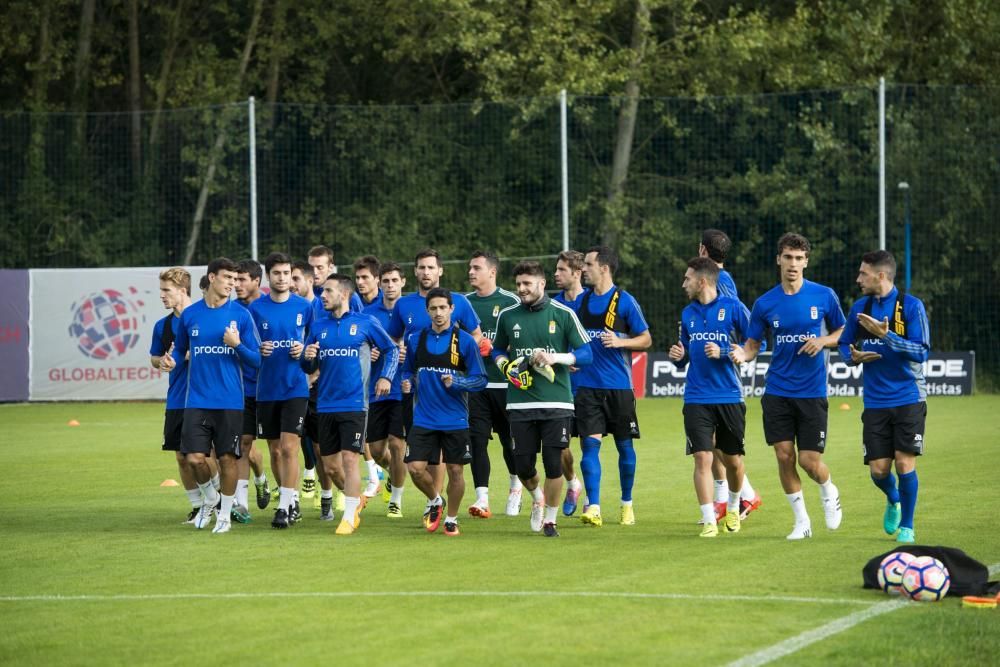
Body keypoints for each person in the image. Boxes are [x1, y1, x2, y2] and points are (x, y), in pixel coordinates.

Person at [730, 233, 846, 539]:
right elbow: (754, 343)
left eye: (799, 258)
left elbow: (843, 331)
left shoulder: (824, 296)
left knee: (810, 462)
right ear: (778, 260)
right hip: (778, 390)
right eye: (788, 257)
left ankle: (828, 489)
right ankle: (802, 523)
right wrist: (744, 353)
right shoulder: (765, 303)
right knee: (783, 456)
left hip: (812, 392)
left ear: (806, 262)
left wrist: (823, 341)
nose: (793, 264)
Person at [160, 257, 261, 534]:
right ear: (212, 277)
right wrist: (172, 361)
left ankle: (225, 515)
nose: (232, 283)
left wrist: (237, 344)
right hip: (197, 400)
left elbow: (256, 360)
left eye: (235, 279)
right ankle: (212, 499)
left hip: (229, 401)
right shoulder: (191, 315)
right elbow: (180, 350)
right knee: (194, 458)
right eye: (227, 277)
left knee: (228, 459)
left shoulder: (241, 315)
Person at [491, 261, 593, 537]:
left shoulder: (563, 314)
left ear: (542, 284)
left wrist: (556, 357)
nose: (522, 289)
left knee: (552, 463)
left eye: (527, 284)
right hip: (519, 402)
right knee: (523, 466)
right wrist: (505, 367)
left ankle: (550, 519)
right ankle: (537, 497)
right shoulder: (508, 316)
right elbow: (497, 350)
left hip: (557, 403)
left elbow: (587, 353)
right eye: (519, 284)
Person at [837, 250, 930, 544]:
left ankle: (907, 526)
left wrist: (886, 335)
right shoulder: (859, 308)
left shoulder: (911, 307)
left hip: (908, 397)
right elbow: (843, 343)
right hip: (875, 401)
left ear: (881, 275)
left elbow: (922, 351)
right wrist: (852, 357)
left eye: (863, 273)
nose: (858, 279)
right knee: (878, 471)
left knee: (904, 463)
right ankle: (893, 498)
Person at [301, 273, 399, 535]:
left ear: (343, 294)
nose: (322, 295)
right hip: (325, 404)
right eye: (322, 292)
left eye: (328, 291)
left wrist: (386, 377)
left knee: (349, 460)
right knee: (331, 466)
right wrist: (307, 356)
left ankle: (349, 515)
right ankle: (356, 501)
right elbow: (306, 364)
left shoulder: (366, 322)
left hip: (355, 403)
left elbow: (391, 349)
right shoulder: (319, 326)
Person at [387, 249, 482, 510]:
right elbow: (395, 343)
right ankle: (435, 500)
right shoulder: (406, 310)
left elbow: (477, 339)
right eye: (421, 267)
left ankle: (444, 511)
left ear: (440, 270)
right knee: (418, 462)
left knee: (451, 465)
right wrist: (405, 370)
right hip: (421, 401)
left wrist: (458, 371)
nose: (426, 272)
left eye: (431, 267)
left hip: (452, 406)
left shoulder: (461, 305)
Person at [668, 257, 750, 537]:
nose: (683, 283)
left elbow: (753, 344)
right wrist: (679, 357)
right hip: (696, 397)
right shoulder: (688, 314)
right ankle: (709, 520)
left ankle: (735, 506)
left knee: (734, 461)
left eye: (687, 278)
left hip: (729, 396)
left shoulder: (734, 308)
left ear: (702, 281)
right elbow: (686, 353)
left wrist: (727, 351)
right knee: (702, 457)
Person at [574, 246, 651, 527]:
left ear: (604, 268)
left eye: (589, 264)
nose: (584, 269)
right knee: (589, 447)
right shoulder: (580, 303)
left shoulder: (625, 301)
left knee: (624, 447)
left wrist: (621, 342)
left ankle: (626, 504)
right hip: (586, 386)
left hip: (618, 387)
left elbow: (645, 339)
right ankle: (593, 506)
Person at [400, 288, 487, 536]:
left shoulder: (466, 341)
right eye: (433, 308)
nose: (438, 313)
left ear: (451, 309)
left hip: (455, 419)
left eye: (443, 308)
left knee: (456, 471)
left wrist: (458, 383)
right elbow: (407, 370)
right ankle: (436, 500)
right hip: (424, 417)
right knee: (415, 468)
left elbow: (480, 379)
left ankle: (451, 518)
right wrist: (407, 382)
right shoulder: (415, 339)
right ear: (427, 311)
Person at [698, 230, 762, 521]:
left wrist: (729, 350)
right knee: (710, 442)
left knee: (716, 442)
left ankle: (739, 496)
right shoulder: (724, 278)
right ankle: (732, 497)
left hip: (722, 371)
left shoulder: (720, 282)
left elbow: (739, 319)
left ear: (702, 250)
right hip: (712, 369)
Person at [249, 252, 313, 529]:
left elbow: (315, 343)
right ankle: (292, 496)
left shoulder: (305, 307)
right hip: (266, 389)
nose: (283, 278)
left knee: (289, 448)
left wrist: (305, 351)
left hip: (296, 387)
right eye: (277, 273)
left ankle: (285, 507)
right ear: (268, 276)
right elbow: (246, 349)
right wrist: (258, 350)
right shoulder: (255, 309)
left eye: (287, 273)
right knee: (275, 451)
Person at [464, 250, 521, 519]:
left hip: (505, 385)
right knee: (476, 441)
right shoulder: (463, 303)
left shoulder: (511, 302)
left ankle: (515, 485)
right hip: (476, 386)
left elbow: (522, 342)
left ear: (492, 272)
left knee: (509, 442)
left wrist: (499, 349)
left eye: (476, 267)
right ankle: (482, 498)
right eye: (470, 268)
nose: (471, 272)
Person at [149, 267, 206, 523]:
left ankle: (219, 502)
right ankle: (197, 505)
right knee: (182, 457)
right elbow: (154, 357)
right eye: (161, 290)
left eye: (166, 290)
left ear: (183, 291)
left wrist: (185, 355)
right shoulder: (162, 326)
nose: (161, 295)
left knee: (205, 456)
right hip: (177, 398)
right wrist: (161, 361)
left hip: (207, 396)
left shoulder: (204, 317)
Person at [363, 262, 409, 518]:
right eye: (386, 281)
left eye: (394, 280)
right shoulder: (370, 314)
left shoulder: (412, 310)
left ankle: (397, 500)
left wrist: (408, 352)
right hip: (375, 389)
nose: (390, 285)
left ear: (403, 282)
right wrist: (369, 353)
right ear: (379, 284)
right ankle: (392, 474)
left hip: (402, 389)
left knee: (397, 442)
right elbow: (360, 345)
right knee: (378, 450)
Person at [551, 250, 587, 516]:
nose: (556, 274)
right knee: (560, 446)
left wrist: (579, 357)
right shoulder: (552, 305)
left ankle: (592, 500)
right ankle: (573, 482)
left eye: (562, 269)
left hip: (590, 386)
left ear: (577, 273)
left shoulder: (592, 302)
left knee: (590, 445)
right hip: (560, 387)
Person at [233, 258, 270, 518]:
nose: (236, 285)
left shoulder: (269, 306)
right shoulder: (232, 309)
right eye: (234, 280)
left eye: (242, 279)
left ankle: (264, 480)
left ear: (257, 281)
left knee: (279, 447)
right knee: (243, 443)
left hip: (272, 388)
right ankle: (241, 503)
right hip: (242, 389)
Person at [291, 260, 324, 509]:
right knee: (297, 434)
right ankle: (309, 470)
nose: (291, 284)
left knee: (320, 442)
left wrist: (315, 368)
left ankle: (330, 491)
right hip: (293, 383)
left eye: (295, 279)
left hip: (316, 384)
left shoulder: (318, 307)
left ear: (309, 281)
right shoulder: (289, 306)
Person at [353, 255, 387, 499]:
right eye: (358, 278)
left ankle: (390, 485)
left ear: (377, 280)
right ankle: (378, 474)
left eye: (365, 277)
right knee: (370, 441)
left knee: (393, 447)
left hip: (389, 383)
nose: (361, 282)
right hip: (361, 379)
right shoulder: (355, 304)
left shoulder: (388, 306)